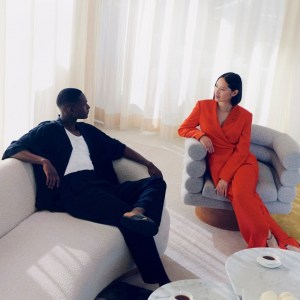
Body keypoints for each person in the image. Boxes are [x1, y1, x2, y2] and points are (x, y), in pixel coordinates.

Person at [2, 88, 170, 286]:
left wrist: (148, 163)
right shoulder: (48, 130)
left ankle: (138, 212)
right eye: (84, 104)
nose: (89, 106)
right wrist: (43, 161)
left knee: (155, 183)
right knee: (130, 223)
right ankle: (162, 282)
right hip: (75, 191)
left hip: (101, 185)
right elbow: (12, 149)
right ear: (71, 109)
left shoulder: (87, 131)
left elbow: (118, 147)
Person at [178, 72, 300, 252]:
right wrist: (200, 135)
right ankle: (274, 238)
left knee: (243, 194)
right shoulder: (202, 106)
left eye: (223, 89)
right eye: (216, 86)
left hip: (243, 162)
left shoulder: (244, 116)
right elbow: (183, 128)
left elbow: (242, 150)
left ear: (234, 93)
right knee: (249, 198)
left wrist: (225, 178)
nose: (217, 92)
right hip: (218, 164)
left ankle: (260, 241)